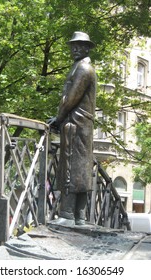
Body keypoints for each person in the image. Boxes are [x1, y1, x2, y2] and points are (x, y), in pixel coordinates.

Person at [49, 31, 97, 226]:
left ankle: (68, 214)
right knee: (80, 168)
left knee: (71, 165)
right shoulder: (81, 67)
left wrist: (58, 119)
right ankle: (80, 216)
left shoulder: (84, 69)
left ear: (87, 48)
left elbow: (71, 98)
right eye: (73, 46)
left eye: (79, 46)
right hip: (80, 123)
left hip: (76, 124)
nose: (75, 49)